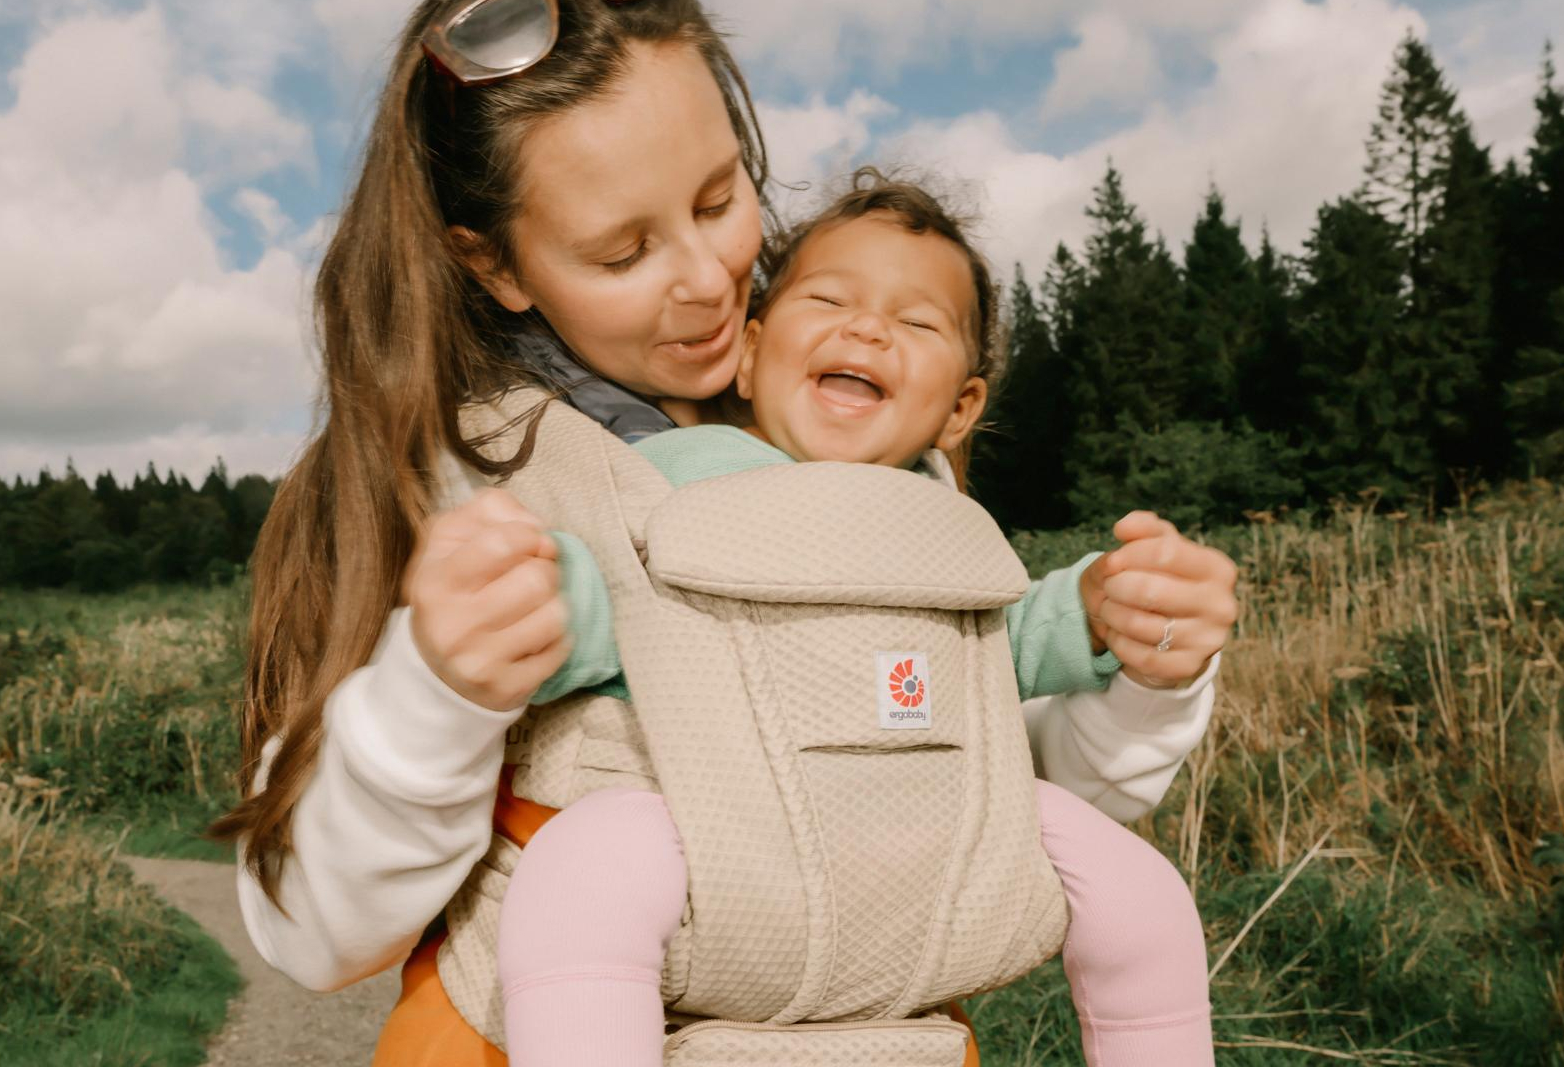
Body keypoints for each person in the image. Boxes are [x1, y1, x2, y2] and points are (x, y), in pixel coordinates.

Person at [213, 2, 1240, 1064]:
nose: (707, 279)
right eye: (622, 252)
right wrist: (437, 694)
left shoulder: (857, 420)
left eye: (719, 198)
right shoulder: (447, 485)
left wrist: (1142, 676)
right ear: (495, 266)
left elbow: (976, 798)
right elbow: (314, 931)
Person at [495, 174, 1216, 1067]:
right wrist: (533, 594)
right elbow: (616, 588)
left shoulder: (949, 524)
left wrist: (1102, 609)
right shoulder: (680, 475)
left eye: (917, 323)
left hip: (936, 813)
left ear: (959, 409)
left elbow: (1008, 642)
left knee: (1141, 891)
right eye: (830, 299)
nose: (868, 327)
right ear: (750, 355)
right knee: (581, 868)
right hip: (724, 820)